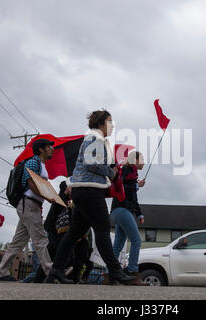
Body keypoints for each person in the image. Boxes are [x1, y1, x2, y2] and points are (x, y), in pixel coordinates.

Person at [46, 109, 136, 285]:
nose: (112, 125)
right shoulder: (94, 138)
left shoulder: (96, 139)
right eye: (109, 121)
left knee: (74, 233)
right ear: (100, 123)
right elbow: (91, 163)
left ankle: (56, 269)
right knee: (102, 229)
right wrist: (111, 172)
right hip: (90, 190)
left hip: (82, 190)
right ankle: (116, 271)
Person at [0, 139, 56, 282]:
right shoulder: (33, 162)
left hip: (31, 206)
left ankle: (1, 272)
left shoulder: (41, 165)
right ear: (41, 150)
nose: (52, 149)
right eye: (49, 147)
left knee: (18, 242)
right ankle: (51, 271)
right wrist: (48, 197)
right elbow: (31, 184)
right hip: (29, 205)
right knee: (40, 238)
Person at [110, 151, 148, 285]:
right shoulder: (126, 169)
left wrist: (139, 214)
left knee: (118, 244)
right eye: (142, 159)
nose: (144, 162)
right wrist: (137, 185)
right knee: (136, 240)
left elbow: (133, 198)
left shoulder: (133, 175)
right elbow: (121, 186)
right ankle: (132, 271)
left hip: (121, 210)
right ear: (135, 160)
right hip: (121, 209)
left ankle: (112, 273)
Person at [33, 181, 72, 283]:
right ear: (66, 189)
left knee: (51, 255)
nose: (71, 189)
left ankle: (43, 279)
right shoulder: (60, 198)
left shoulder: (63, 198)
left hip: (53, 230)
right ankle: (60, 270)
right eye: (70, 187)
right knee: (59, 250)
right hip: (52, 230)